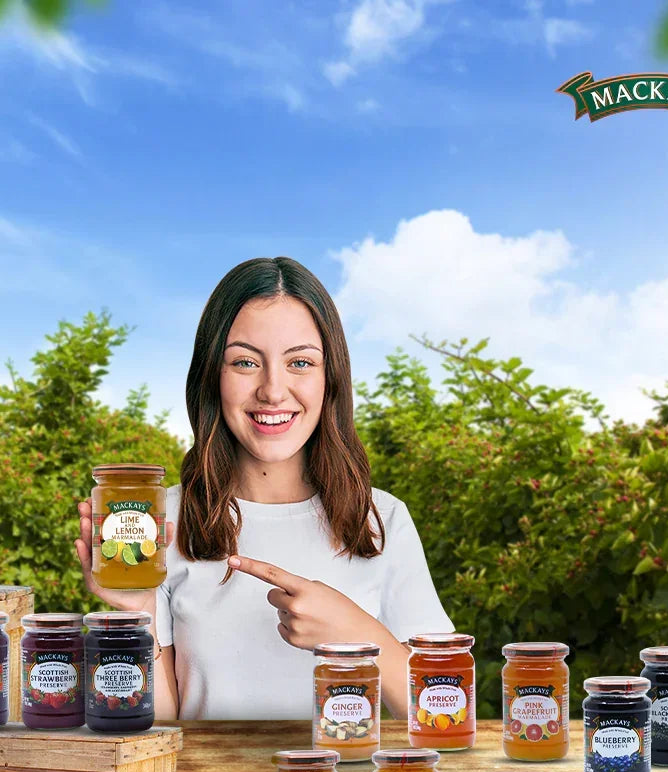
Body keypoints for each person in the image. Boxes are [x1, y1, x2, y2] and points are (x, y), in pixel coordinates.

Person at [75, 256, 453, 721]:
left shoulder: (382, 519)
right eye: (245, 362)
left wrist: (357, 632)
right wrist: (138, 611)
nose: (273, 390)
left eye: (300, 362)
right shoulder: (161, 523)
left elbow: (445, 713)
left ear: (330, 377)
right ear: (212, 376)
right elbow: (165, 730)